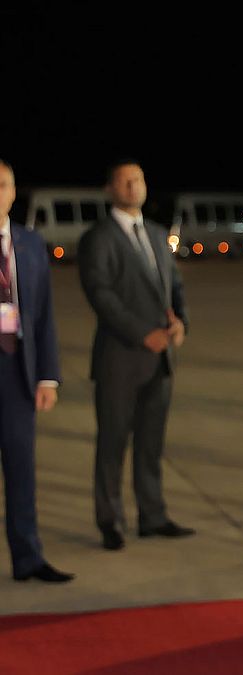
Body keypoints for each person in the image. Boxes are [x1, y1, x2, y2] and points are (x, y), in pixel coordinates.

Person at [78, 160, 192, 552]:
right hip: (120, 359)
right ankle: (110, 521)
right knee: (112, 444)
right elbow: (101, 295)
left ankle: (152, 515)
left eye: (139, 179)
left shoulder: (158, 234)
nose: (133, 186)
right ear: (110, 189)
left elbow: (175, 286)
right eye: (125, 181)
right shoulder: (98, 238)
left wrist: (181, 323)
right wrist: (143, 334)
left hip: (160, 359)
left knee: (151, 444)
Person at [0, 159, 72, 583]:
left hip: (17, 375)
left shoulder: (29, 243)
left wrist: (48, 377)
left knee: (22, 473)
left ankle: (28, 558)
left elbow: (44, 315)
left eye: (3, 184)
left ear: (13, 192)